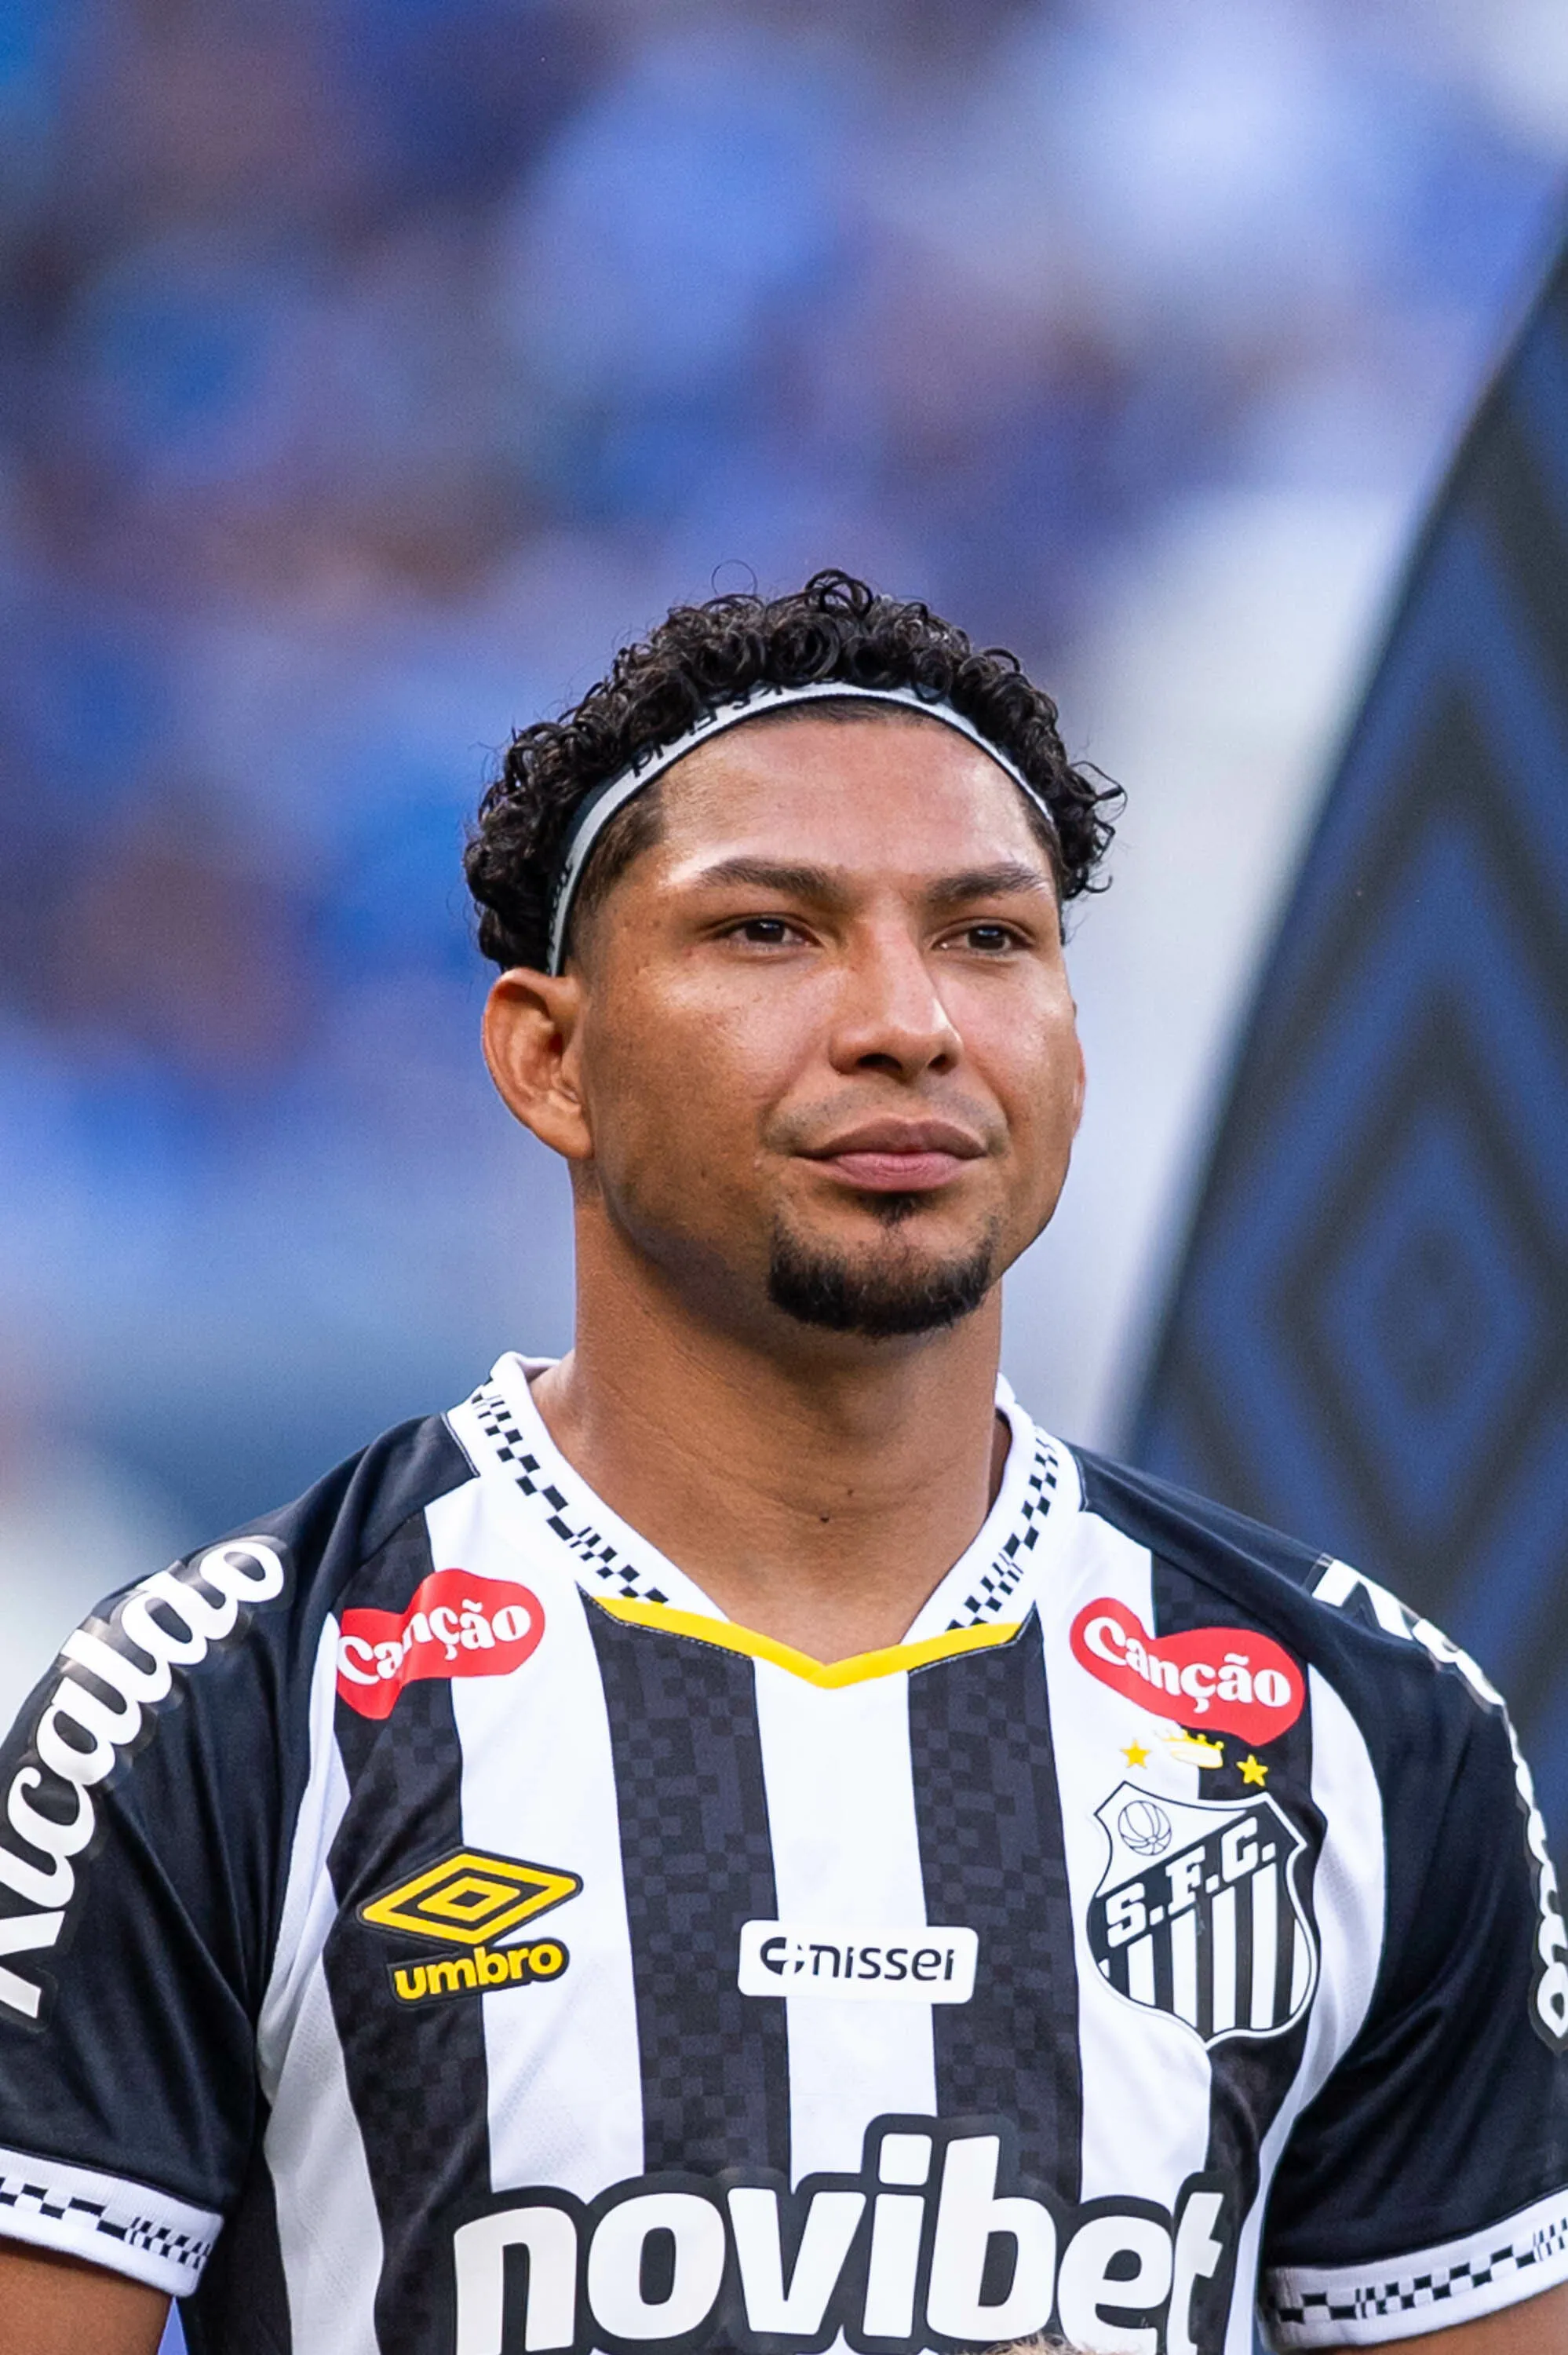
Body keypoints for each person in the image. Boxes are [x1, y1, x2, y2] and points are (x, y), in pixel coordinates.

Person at [0, 569, 1563, 2355]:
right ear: (550, 1057)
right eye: (772, 931)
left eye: (989, 937)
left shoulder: (1363, 1725)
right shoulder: (227, 1706)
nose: (909, 1021)